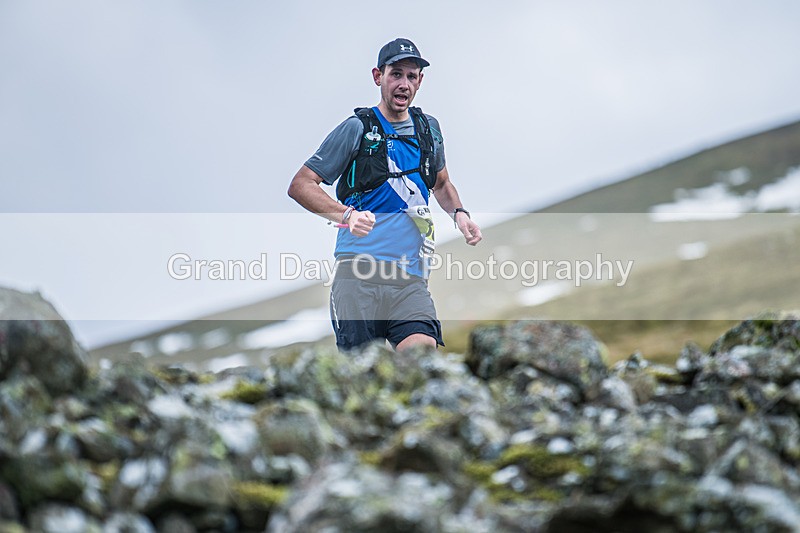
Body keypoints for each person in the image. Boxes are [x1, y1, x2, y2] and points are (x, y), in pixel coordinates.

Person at [288, 37, 481, 352]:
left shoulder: (428, 129)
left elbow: (442, 183)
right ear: (378, 76)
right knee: (364, 374)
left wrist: (460, 215)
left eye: (411, 76)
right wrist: (346, 215)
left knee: (421, 357)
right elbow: (301, 184)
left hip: (410, 279)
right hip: (358, 277)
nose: (404, 84)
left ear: (420, 81)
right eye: (396, 74)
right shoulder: (357, 128)